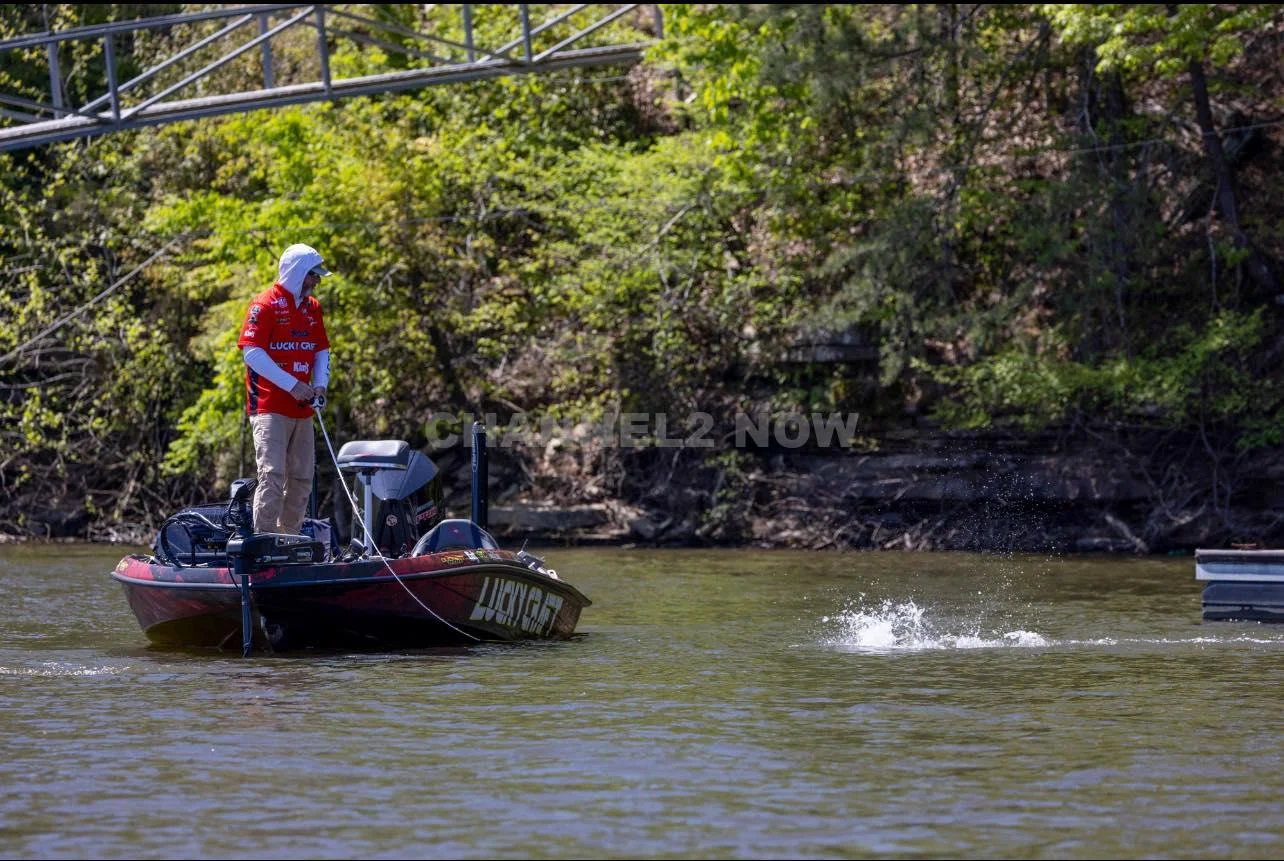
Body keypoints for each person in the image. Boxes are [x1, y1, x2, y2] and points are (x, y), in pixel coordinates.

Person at [236, 243, 332, 535]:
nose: (315, 281)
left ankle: (288, 541)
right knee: (272, 475)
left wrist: (319, 386)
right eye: (312, 275)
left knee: (302, 478)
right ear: (296, 272)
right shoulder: (263, 305)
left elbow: (321, 351)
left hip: (303, 410)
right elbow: (251, 353)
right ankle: (263, 542)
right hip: (269, 408)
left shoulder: (313, 308)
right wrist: (292, 386)